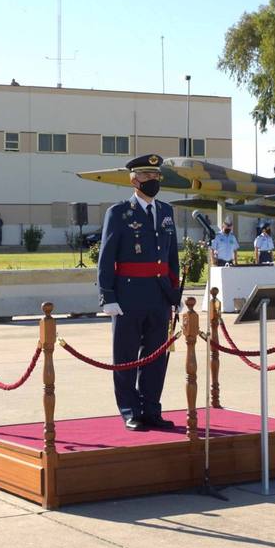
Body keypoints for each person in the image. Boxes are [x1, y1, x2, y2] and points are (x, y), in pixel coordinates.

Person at [96, 154, 182, 431]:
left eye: (156, 176)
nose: (153, 181)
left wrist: (174, 295)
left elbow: (171, 257)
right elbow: (106, 257)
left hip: (158, 295)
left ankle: (151, 409)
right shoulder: (119, 213)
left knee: (156, 357)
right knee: (127, 357)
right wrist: (107, 296)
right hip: (128, 294)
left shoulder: (166, 211)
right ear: (133, 180)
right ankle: (130, 410)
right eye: (147, 176)